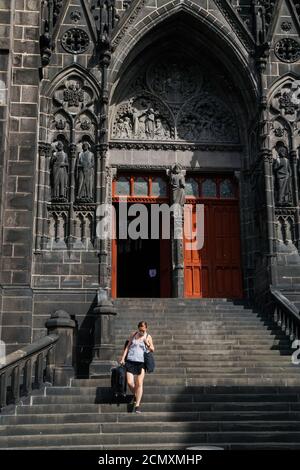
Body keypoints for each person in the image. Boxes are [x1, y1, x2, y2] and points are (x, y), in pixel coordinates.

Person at [119, 321, 154, 413]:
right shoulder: (134, 334)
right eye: (140, 330)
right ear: (138, 328)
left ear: (146, 328)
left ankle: (137, 405)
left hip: (141, 363)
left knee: (139, 382)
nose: (141, 332)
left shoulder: (148, 336)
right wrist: (123, 358)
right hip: (130, 361)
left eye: (143, 330)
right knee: (130, 382)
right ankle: (136, 394)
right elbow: (127, 347)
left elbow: (152, 349)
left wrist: (147, 343)